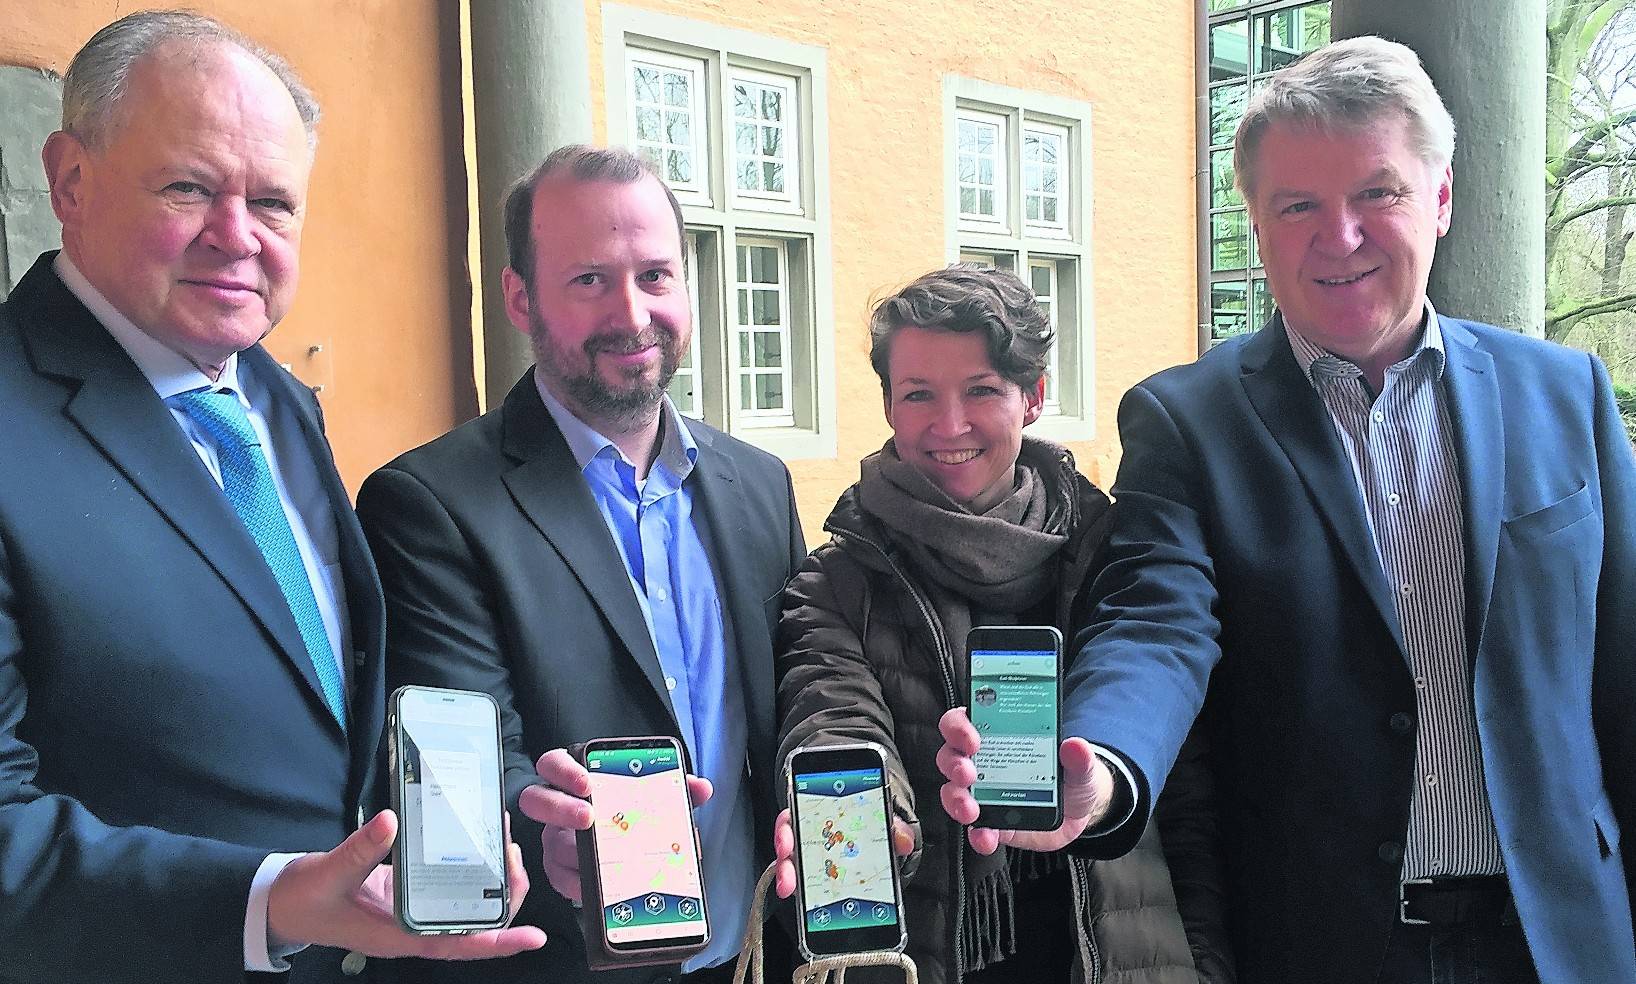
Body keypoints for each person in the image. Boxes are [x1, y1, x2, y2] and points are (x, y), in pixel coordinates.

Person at [937, 36, 1636, 984]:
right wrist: (1101, 763)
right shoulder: (1189, 420)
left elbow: (1623, 671)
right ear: (1258, 226)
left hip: (1561, 940)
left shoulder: (1566, 395)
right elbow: (1158, 621)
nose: (1337, 237)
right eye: (1298, 205)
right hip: (1327, 941)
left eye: (1375, 194)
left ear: (1439, 197)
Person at [0, 10, 544, 983]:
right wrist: (266, 900)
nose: (236, 237)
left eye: (276, 204)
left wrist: (469, 818)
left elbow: (319, 711)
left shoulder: (276, 399)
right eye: (188, 187)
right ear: (70, 179)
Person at [356, 144, 806, 984]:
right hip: (560, 957)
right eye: (589, 279)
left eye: (656, 276)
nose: (632, 314)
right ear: (520, 297)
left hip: (748, 951)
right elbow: (467, 751)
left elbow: (797, 702)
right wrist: (539, 820)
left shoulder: (760, 486)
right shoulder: (429, 502)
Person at [773, 266, 1222, 984]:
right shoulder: (838, 579)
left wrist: (1204, 966)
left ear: (1034, 397)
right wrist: (869, 814)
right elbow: (832, 715)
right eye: (919, 394)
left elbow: (1187, 797)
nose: (949, 426)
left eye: (981, 390)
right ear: (889, 403)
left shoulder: (1115, 554)